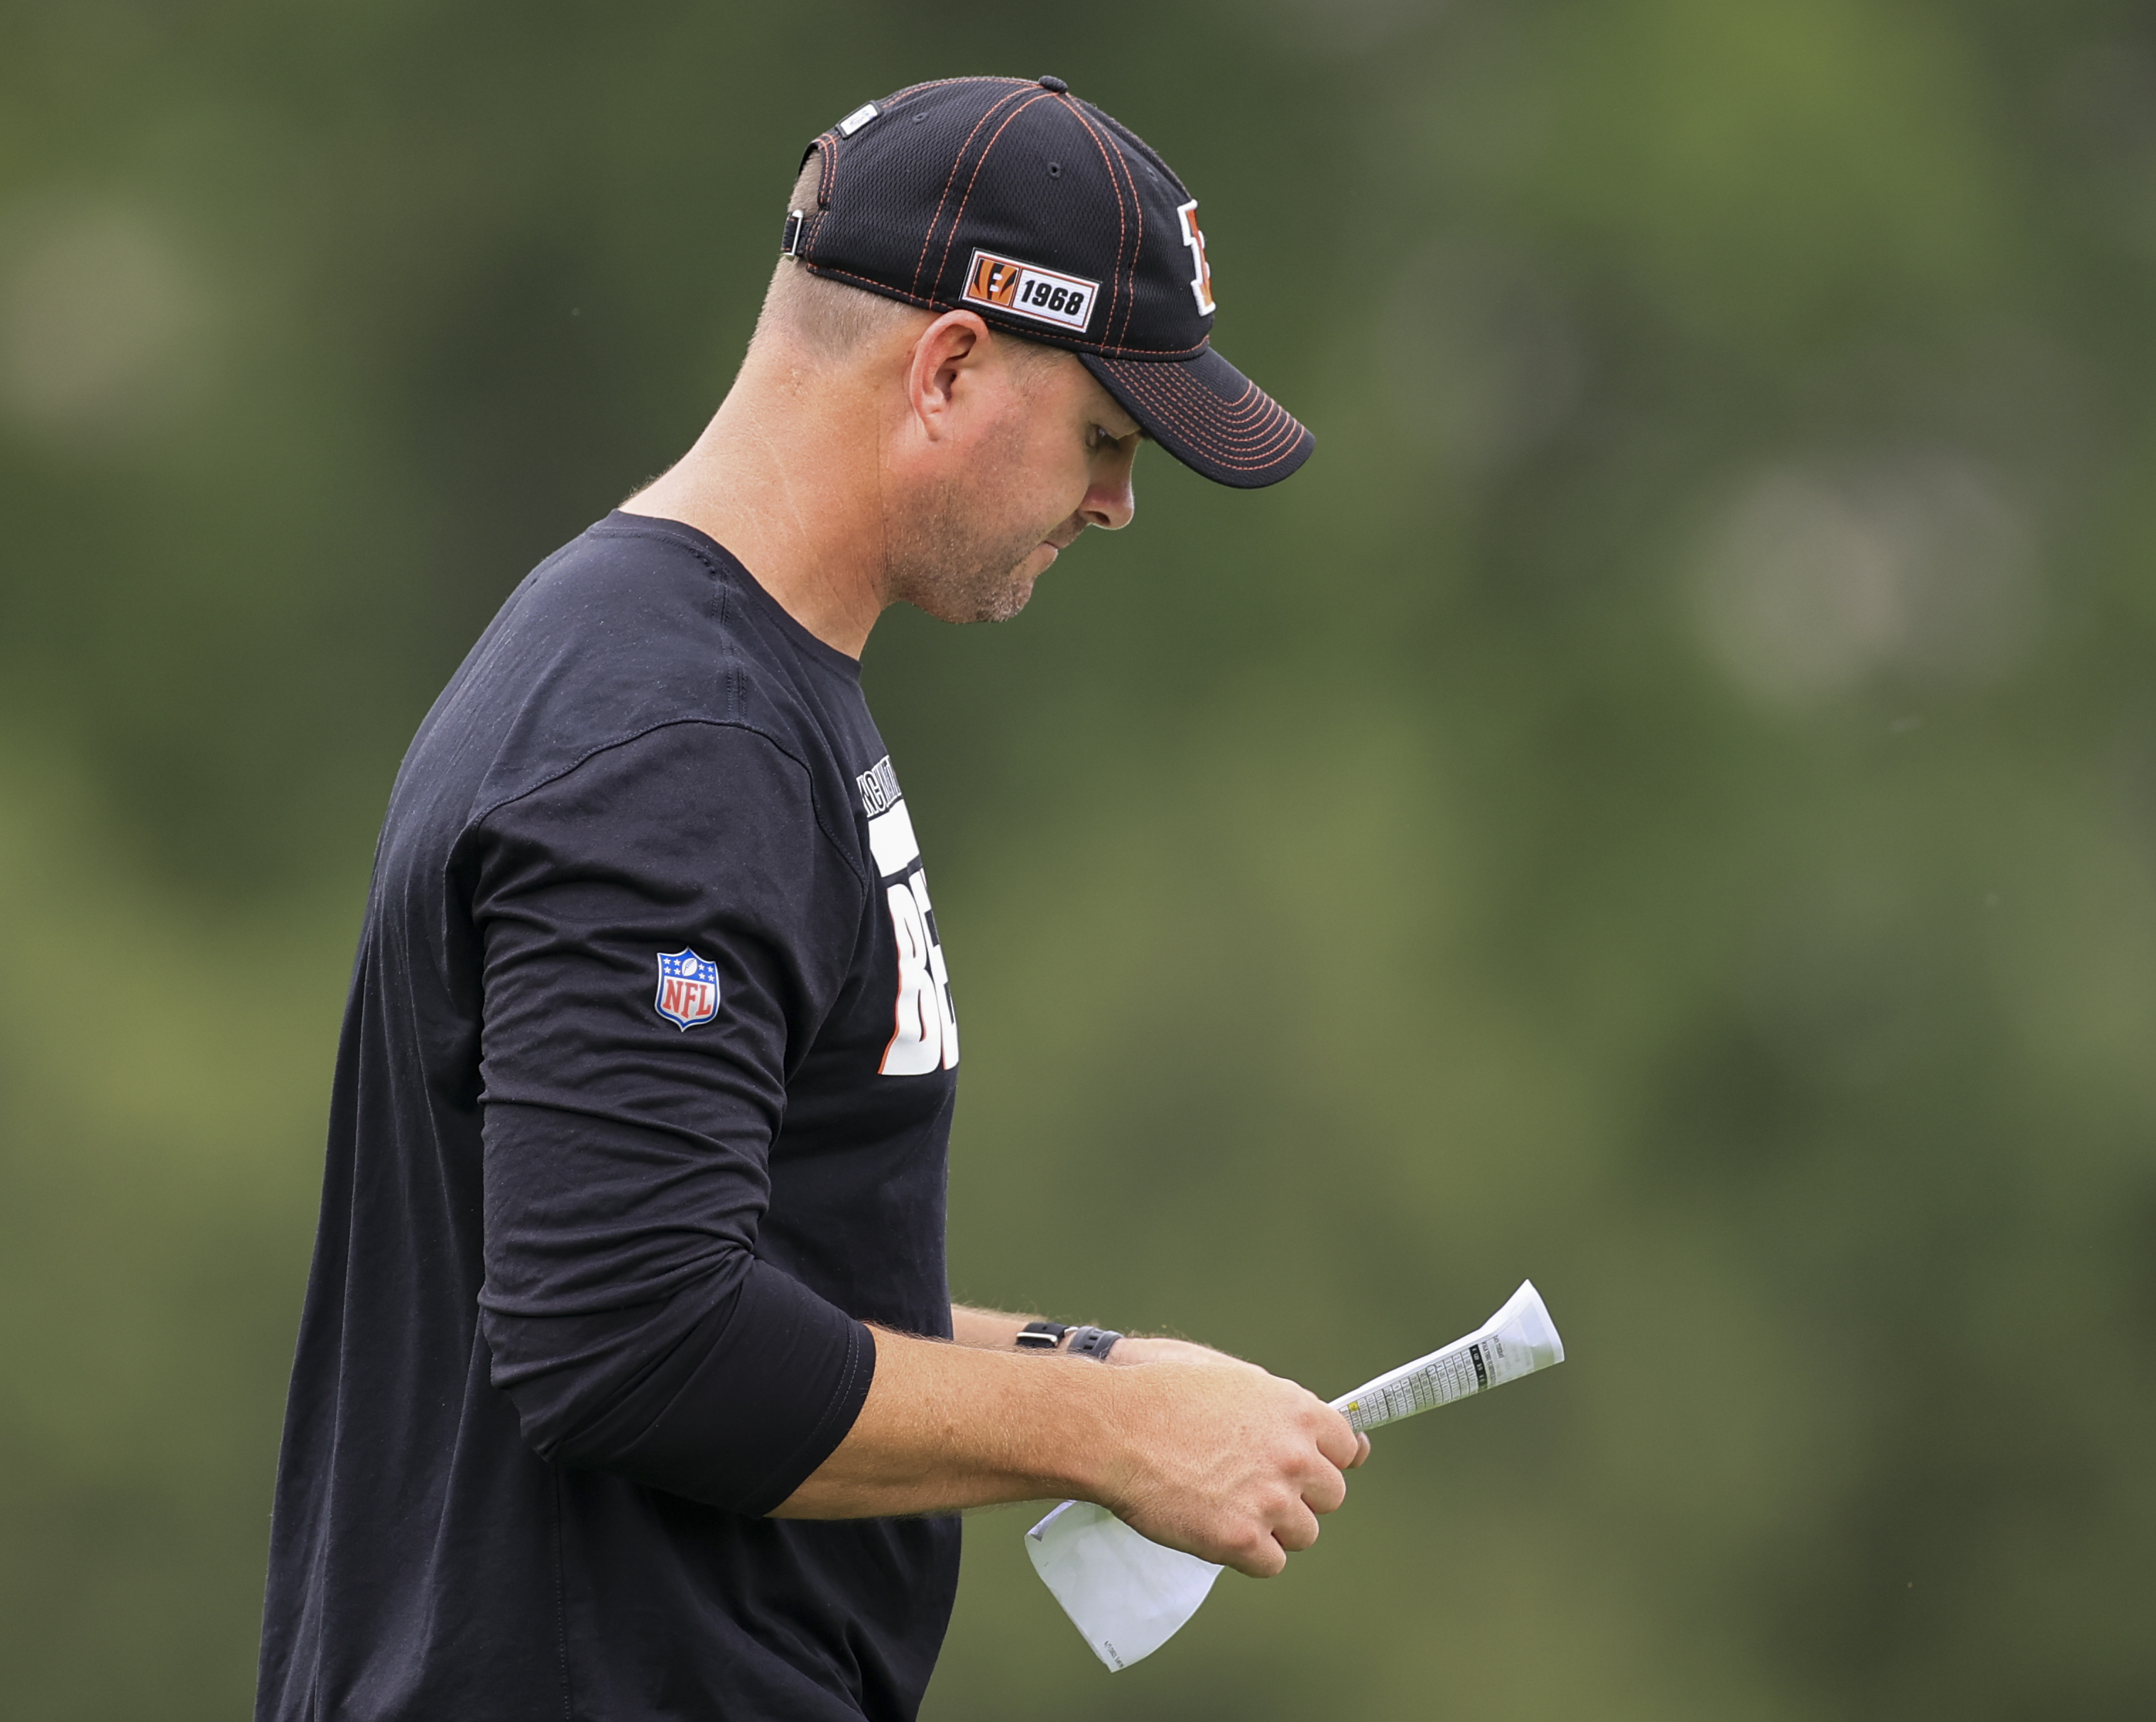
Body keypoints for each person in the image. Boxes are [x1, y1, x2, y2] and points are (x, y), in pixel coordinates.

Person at [256, 75, 1361, 1722]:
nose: (1118, 501)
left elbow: (723, 1253)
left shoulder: (693, 668)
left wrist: (1085, 1368)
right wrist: (1106, 1438)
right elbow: (632, 1337)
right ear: (952, 366)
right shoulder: (673, 739)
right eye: (1107, 438)